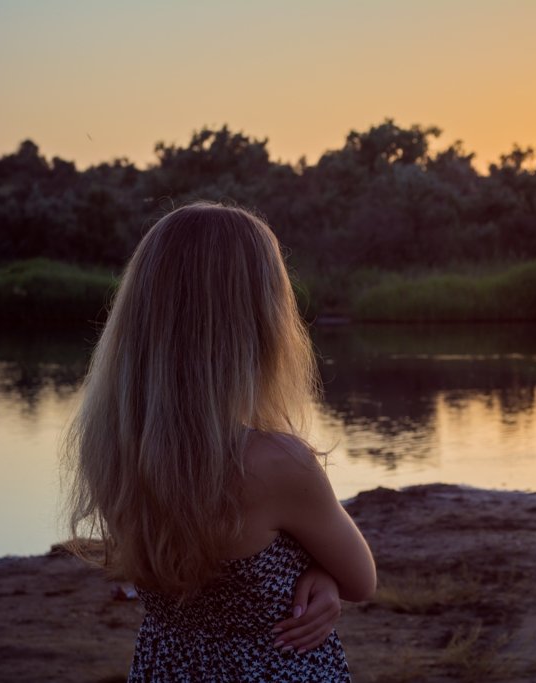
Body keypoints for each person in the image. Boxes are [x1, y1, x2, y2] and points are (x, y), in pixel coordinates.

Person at [63, 202, 376, 681]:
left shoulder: (113, 445)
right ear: (258, 321)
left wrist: (316, 576)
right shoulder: (276, 463)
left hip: (166, 665)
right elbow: (362, 578)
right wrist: (326, 575)